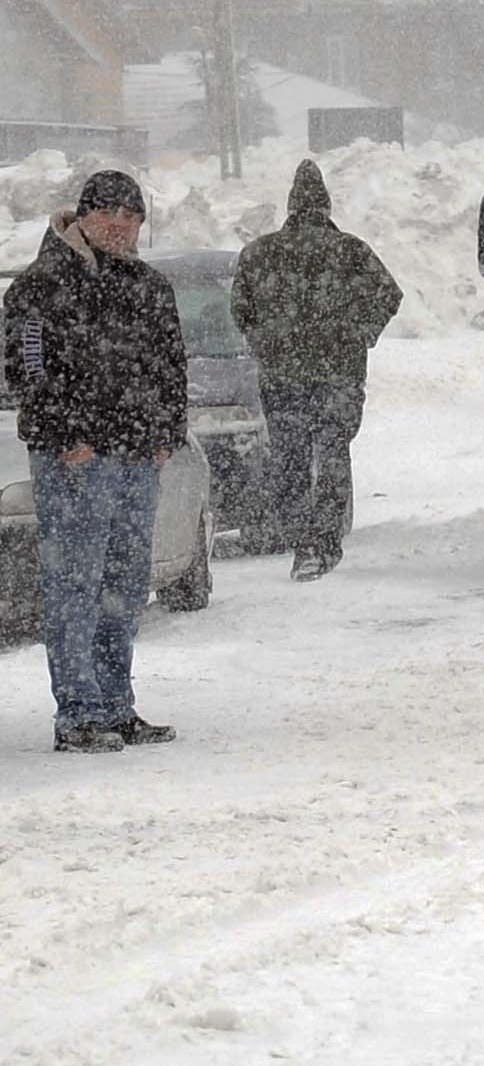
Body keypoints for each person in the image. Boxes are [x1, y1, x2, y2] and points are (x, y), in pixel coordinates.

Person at [3, 170, 187, 752]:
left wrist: (167, 431)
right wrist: (66, 434)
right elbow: (26, 369)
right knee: (75, 585)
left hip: (137, 456)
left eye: (131, 218)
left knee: (125, 587)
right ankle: (78, 713)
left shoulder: (150, 286)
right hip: (77, 459)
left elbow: (171, 367)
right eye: (108, 214)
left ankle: (115, 704)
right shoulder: (41, 286)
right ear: (81, 216)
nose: (120, 226)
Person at [230, 159, 403, 580]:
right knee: (331, 455)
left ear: (290, 207)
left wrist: (265, 340)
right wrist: (363, 331)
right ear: (325, 207)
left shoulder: (258, 254)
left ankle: (300, 536)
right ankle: (322, 540)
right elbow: (389, 294)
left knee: (288, 458)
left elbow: (239, 310)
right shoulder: (350, 250)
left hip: (281, 377)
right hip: (338, 374)